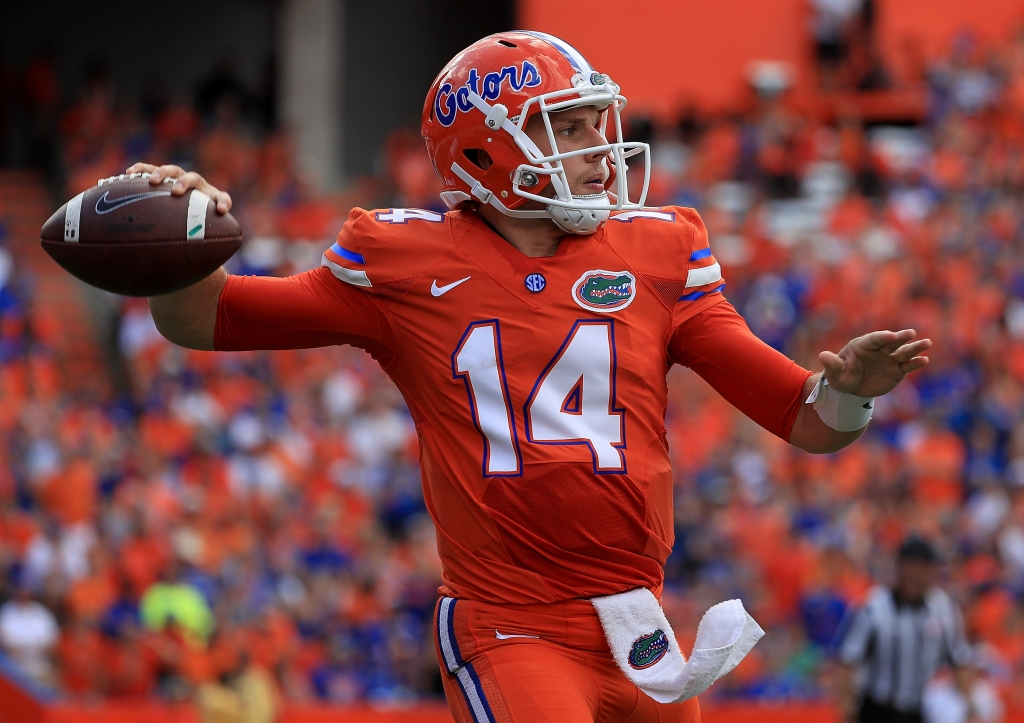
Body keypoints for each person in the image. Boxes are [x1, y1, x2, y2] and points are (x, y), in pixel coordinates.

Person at [127, 30, 930, 723]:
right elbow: (206, 319)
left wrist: (852, 388)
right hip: (511, 623)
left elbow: (806, 419)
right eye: (567, 127)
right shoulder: (404, 259)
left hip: (640, 622)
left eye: (596, 122)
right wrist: (179, 244)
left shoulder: (658, 250)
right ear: (482, 152)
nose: (598, 149)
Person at [836, 536, 975, 723]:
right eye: (911, 566)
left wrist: (969, 707)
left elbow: (959, 661)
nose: (916, 575)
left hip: (919, 710)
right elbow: (848, 662)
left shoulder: (943, 609)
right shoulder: (873, 608)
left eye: (923, 568)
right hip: (877, 709)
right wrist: (848, 708)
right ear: (899, 568)